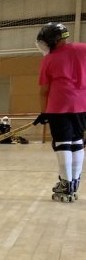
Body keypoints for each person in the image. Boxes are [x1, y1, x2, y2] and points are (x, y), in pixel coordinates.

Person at [35, 22, 86, 202]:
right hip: (82, 105)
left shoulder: (48, 60)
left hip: (58, 106)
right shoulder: (82, 49)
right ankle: (74, 183)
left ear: (51, 40)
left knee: (62, 143)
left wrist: (44, 113)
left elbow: (44, 91)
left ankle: (65, 183)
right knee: (77, 142)